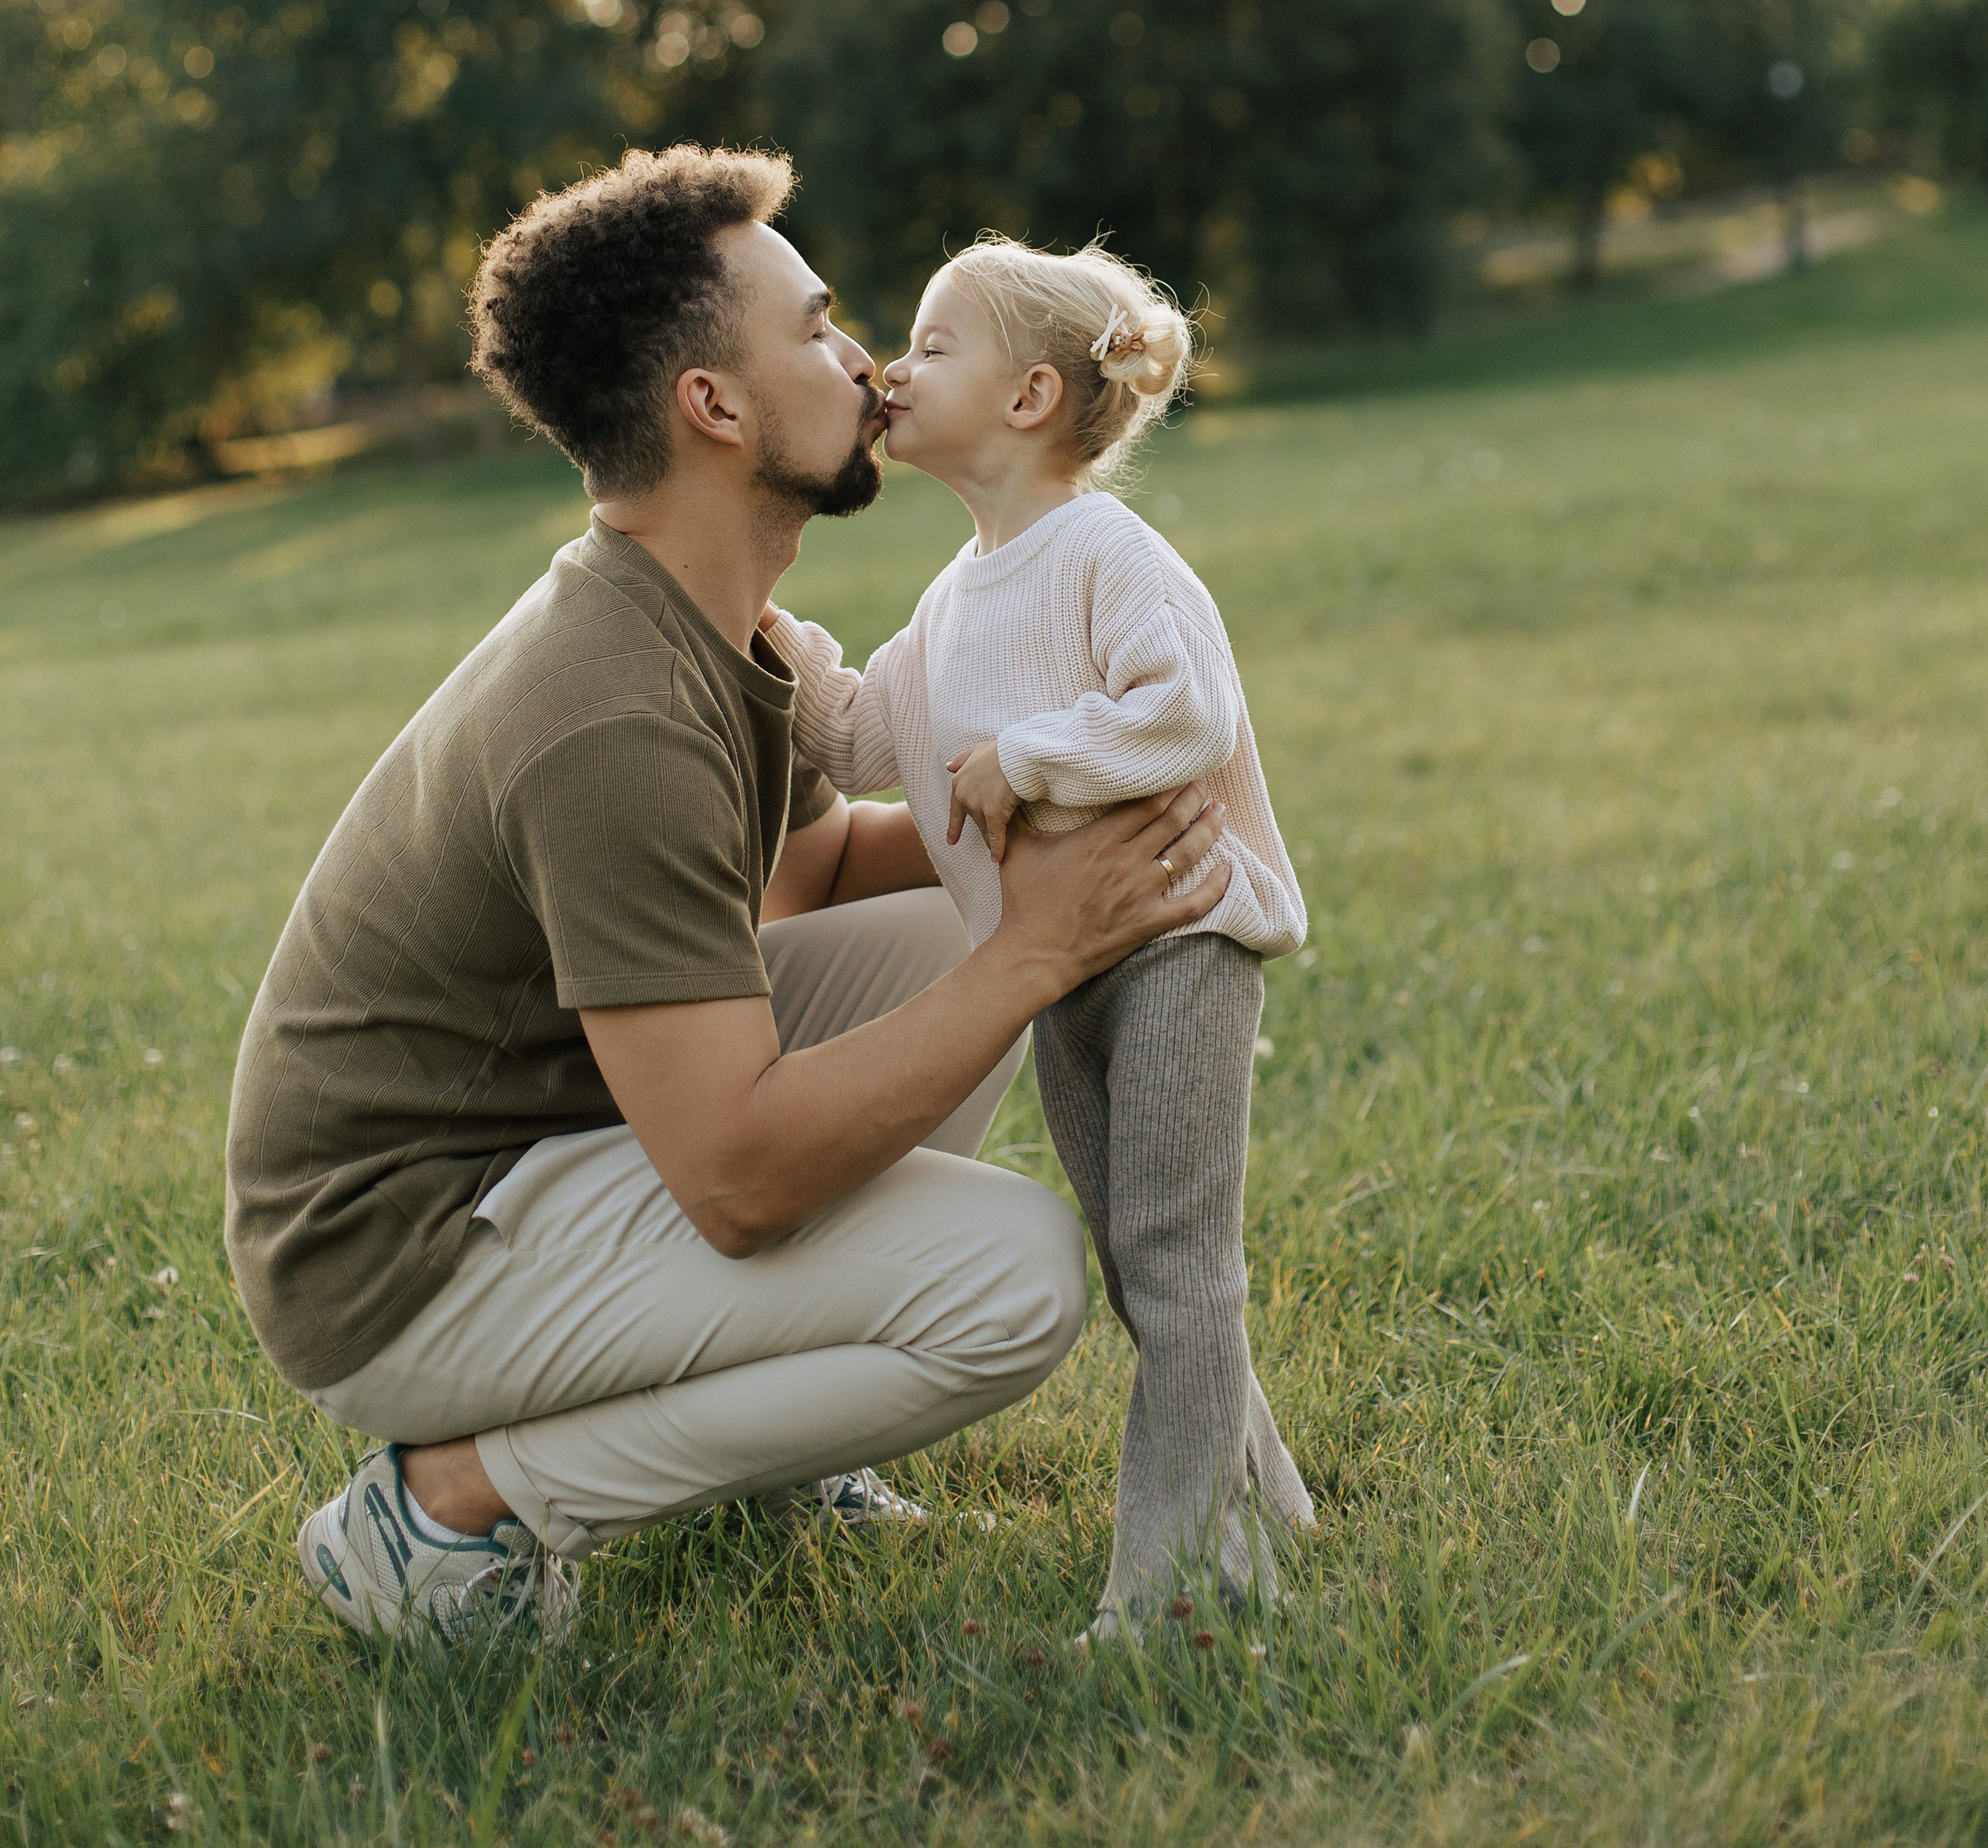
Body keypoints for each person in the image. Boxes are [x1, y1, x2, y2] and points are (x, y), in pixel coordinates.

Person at [224, 147, 1229, 1644]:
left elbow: (808, 875)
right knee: (1013, 1281)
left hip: (533, 1156)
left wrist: (1064, 806)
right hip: (399, 1258)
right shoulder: (614, 706)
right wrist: (1038, 949)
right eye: (819, 327)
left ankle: (772, 1448)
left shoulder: (707, 620)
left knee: (930, 929)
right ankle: (445, 1504)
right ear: (715, 408)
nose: (866, 356)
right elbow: (740, 1179)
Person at [765, 234, 1315, 1636]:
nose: (893, 365)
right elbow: (855, 735)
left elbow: (1187, 711)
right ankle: (1272, 1506)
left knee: (1181, 1264)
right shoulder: (956, 596)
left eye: (935, 345)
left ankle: (1173, 1589)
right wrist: (754, 626)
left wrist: (1031, 758)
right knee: (1146, 1267)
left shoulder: (1103, 553)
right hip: (1064, 969)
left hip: (1180, 943)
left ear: (1027, 401)